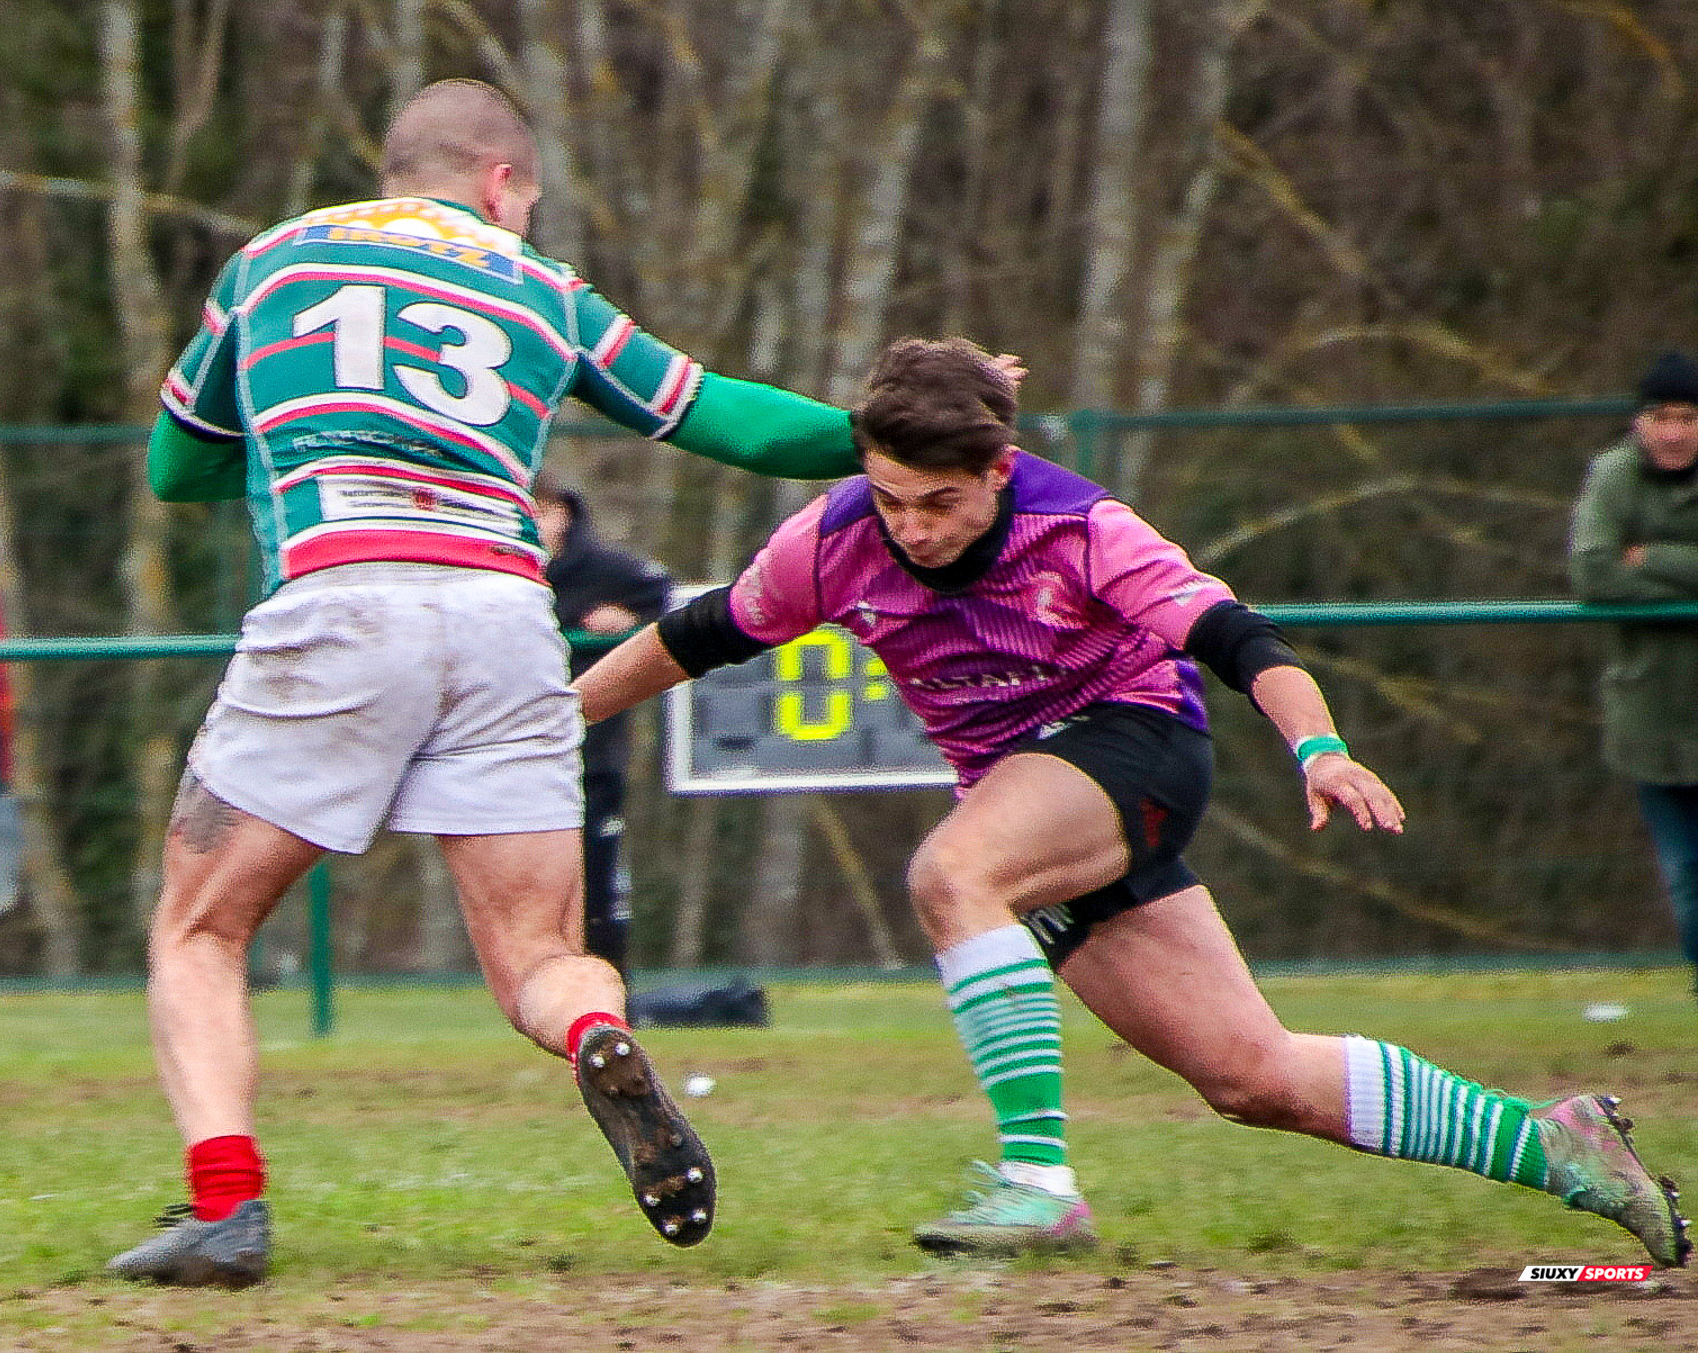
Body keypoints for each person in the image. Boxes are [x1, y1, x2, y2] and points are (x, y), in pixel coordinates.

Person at [574, 336, 1692, 1266]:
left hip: (1136, 749)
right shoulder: (836, 540)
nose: (911, 527)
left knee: (955, 875)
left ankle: (1037, 1182)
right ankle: (1555, 1145)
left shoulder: (1082, 531)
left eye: (940, 502)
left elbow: (1242, 640)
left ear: (1001, 471)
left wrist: (1321, 747)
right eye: (892, 497)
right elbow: (698, 635)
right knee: (1252, 1077)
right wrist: (554, 720)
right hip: (1037, 800)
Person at [107, 78, 865, 1287]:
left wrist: (287, 452)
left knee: (201, 924)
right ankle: (597, 1030)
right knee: (534, 949)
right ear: (503, 182)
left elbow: (172, 469)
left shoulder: (273, 263)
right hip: (511, 618)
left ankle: (226, 1208)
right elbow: (734, 424)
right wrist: (890, 427)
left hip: (342, 599)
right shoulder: (542, 290)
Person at [1569, 350, 1698, 999]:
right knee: (1685, 874)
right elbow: (1594, 572)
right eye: (1660, 416)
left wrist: (1655, 558)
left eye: (1687, 417)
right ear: (1639, 421)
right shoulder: (1614, 477)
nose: (1673, 431)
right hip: (1650, 718)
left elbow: (1622, 571)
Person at [536, 470, 672, 978]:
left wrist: (629, 623)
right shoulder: (494, 577)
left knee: (597, 893)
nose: (533, 528)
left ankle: (610, 1006)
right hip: (512, 760)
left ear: (564, 516)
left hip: (591, 761)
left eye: (542, 515)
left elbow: (666, 597)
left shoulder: (608, 571)